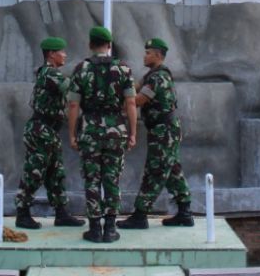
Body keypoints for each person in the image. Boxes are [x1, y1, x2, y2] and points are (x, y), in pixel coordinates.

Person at [67, 25, 137, 244]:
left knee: (92, 180)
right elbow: (131, 102)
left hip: (89, 131)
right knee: (112, 180)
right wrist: (133, 133)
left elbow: (72, 105)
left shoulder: (81, 69)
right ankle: (110, 228)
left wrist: (72, 134)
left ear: (90, 45)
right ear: (109, 45)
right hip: (116, 130)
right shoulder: (124, 69)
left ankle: (95, 229)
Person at [118, 37, 193, 228]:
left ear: (158, 55)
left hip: (163, 131)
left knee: (156, 170)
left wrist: (119, 105)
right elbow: (134, 90)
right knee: (172, 170)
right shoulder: (153, 75)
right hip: (164, 130)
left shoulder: (157, 77)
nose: (144, 56)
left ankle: (140, 215)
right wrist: (122, 80)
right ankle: (185, 212)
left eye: (148, 53)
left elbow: (138, 100)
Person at [14, 36, 84, 229]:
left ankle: (61, 214)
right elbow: (72, 91)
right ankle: (22, 213)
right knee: (34, 172)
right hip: (40, 130)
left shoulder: (51, 73)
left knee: (56, 173)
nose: (65, 55)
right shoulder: (50, 74)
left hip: (49, 131)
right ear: (51, 54)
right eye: (61, 52)